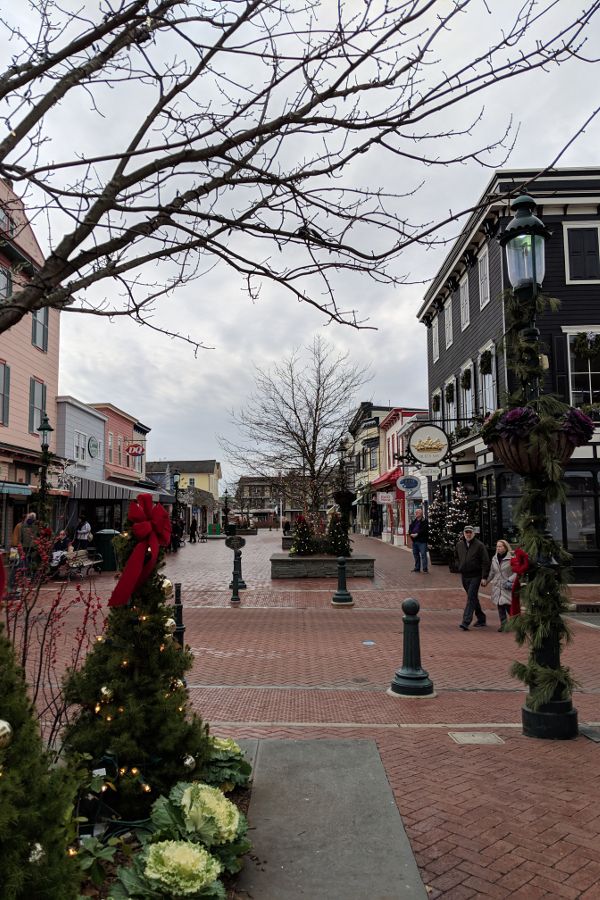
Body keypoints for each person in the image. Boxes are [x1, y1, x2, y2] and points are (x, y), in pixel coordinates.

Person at [455, 525, 490, 630]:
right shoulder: (459, 545)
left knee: (471, 597)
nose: (468, 534)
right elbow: (456, 557)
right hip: (464, 576)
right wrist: (458, 566)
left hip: (476, 575)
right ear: (464, 533)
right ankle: (481, 618)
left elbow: (485, 561)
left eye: (470, 532)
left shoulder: (479, 545)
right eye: (466, 532)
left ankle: (465, 622)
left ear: (473, 533)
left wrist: (484, 577)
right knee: (473, 597)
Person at [488, 539, 515, 631]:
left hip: (507, 585)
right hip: (497, 585)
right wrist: (486, 581)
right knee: (500, 606)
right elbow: (492, 572)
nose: (498, 548)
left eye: (500, 546)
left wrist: (509, 580)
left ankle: (516, 623)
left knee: (508, 605)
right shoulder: (494, 558)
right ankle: (503, 625)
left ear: (505, 547)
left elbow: (517, 572)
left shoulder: (512, 558)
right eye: (497, 546)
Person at [408, 508, 429, 574]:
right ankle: (417, 568)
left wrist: (417, 534)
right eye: (416, 512)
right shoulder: (414, 521)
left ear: (421, 514)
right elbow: (410, 528)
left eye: (417, 512)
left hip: (422, 541)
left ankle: (425, 569)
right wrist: (411, 534)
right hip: (415, 541)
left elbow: (424, 530)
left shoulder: (424, 521)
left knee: (423, 555)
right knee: (415, 554)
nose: (416, 514)